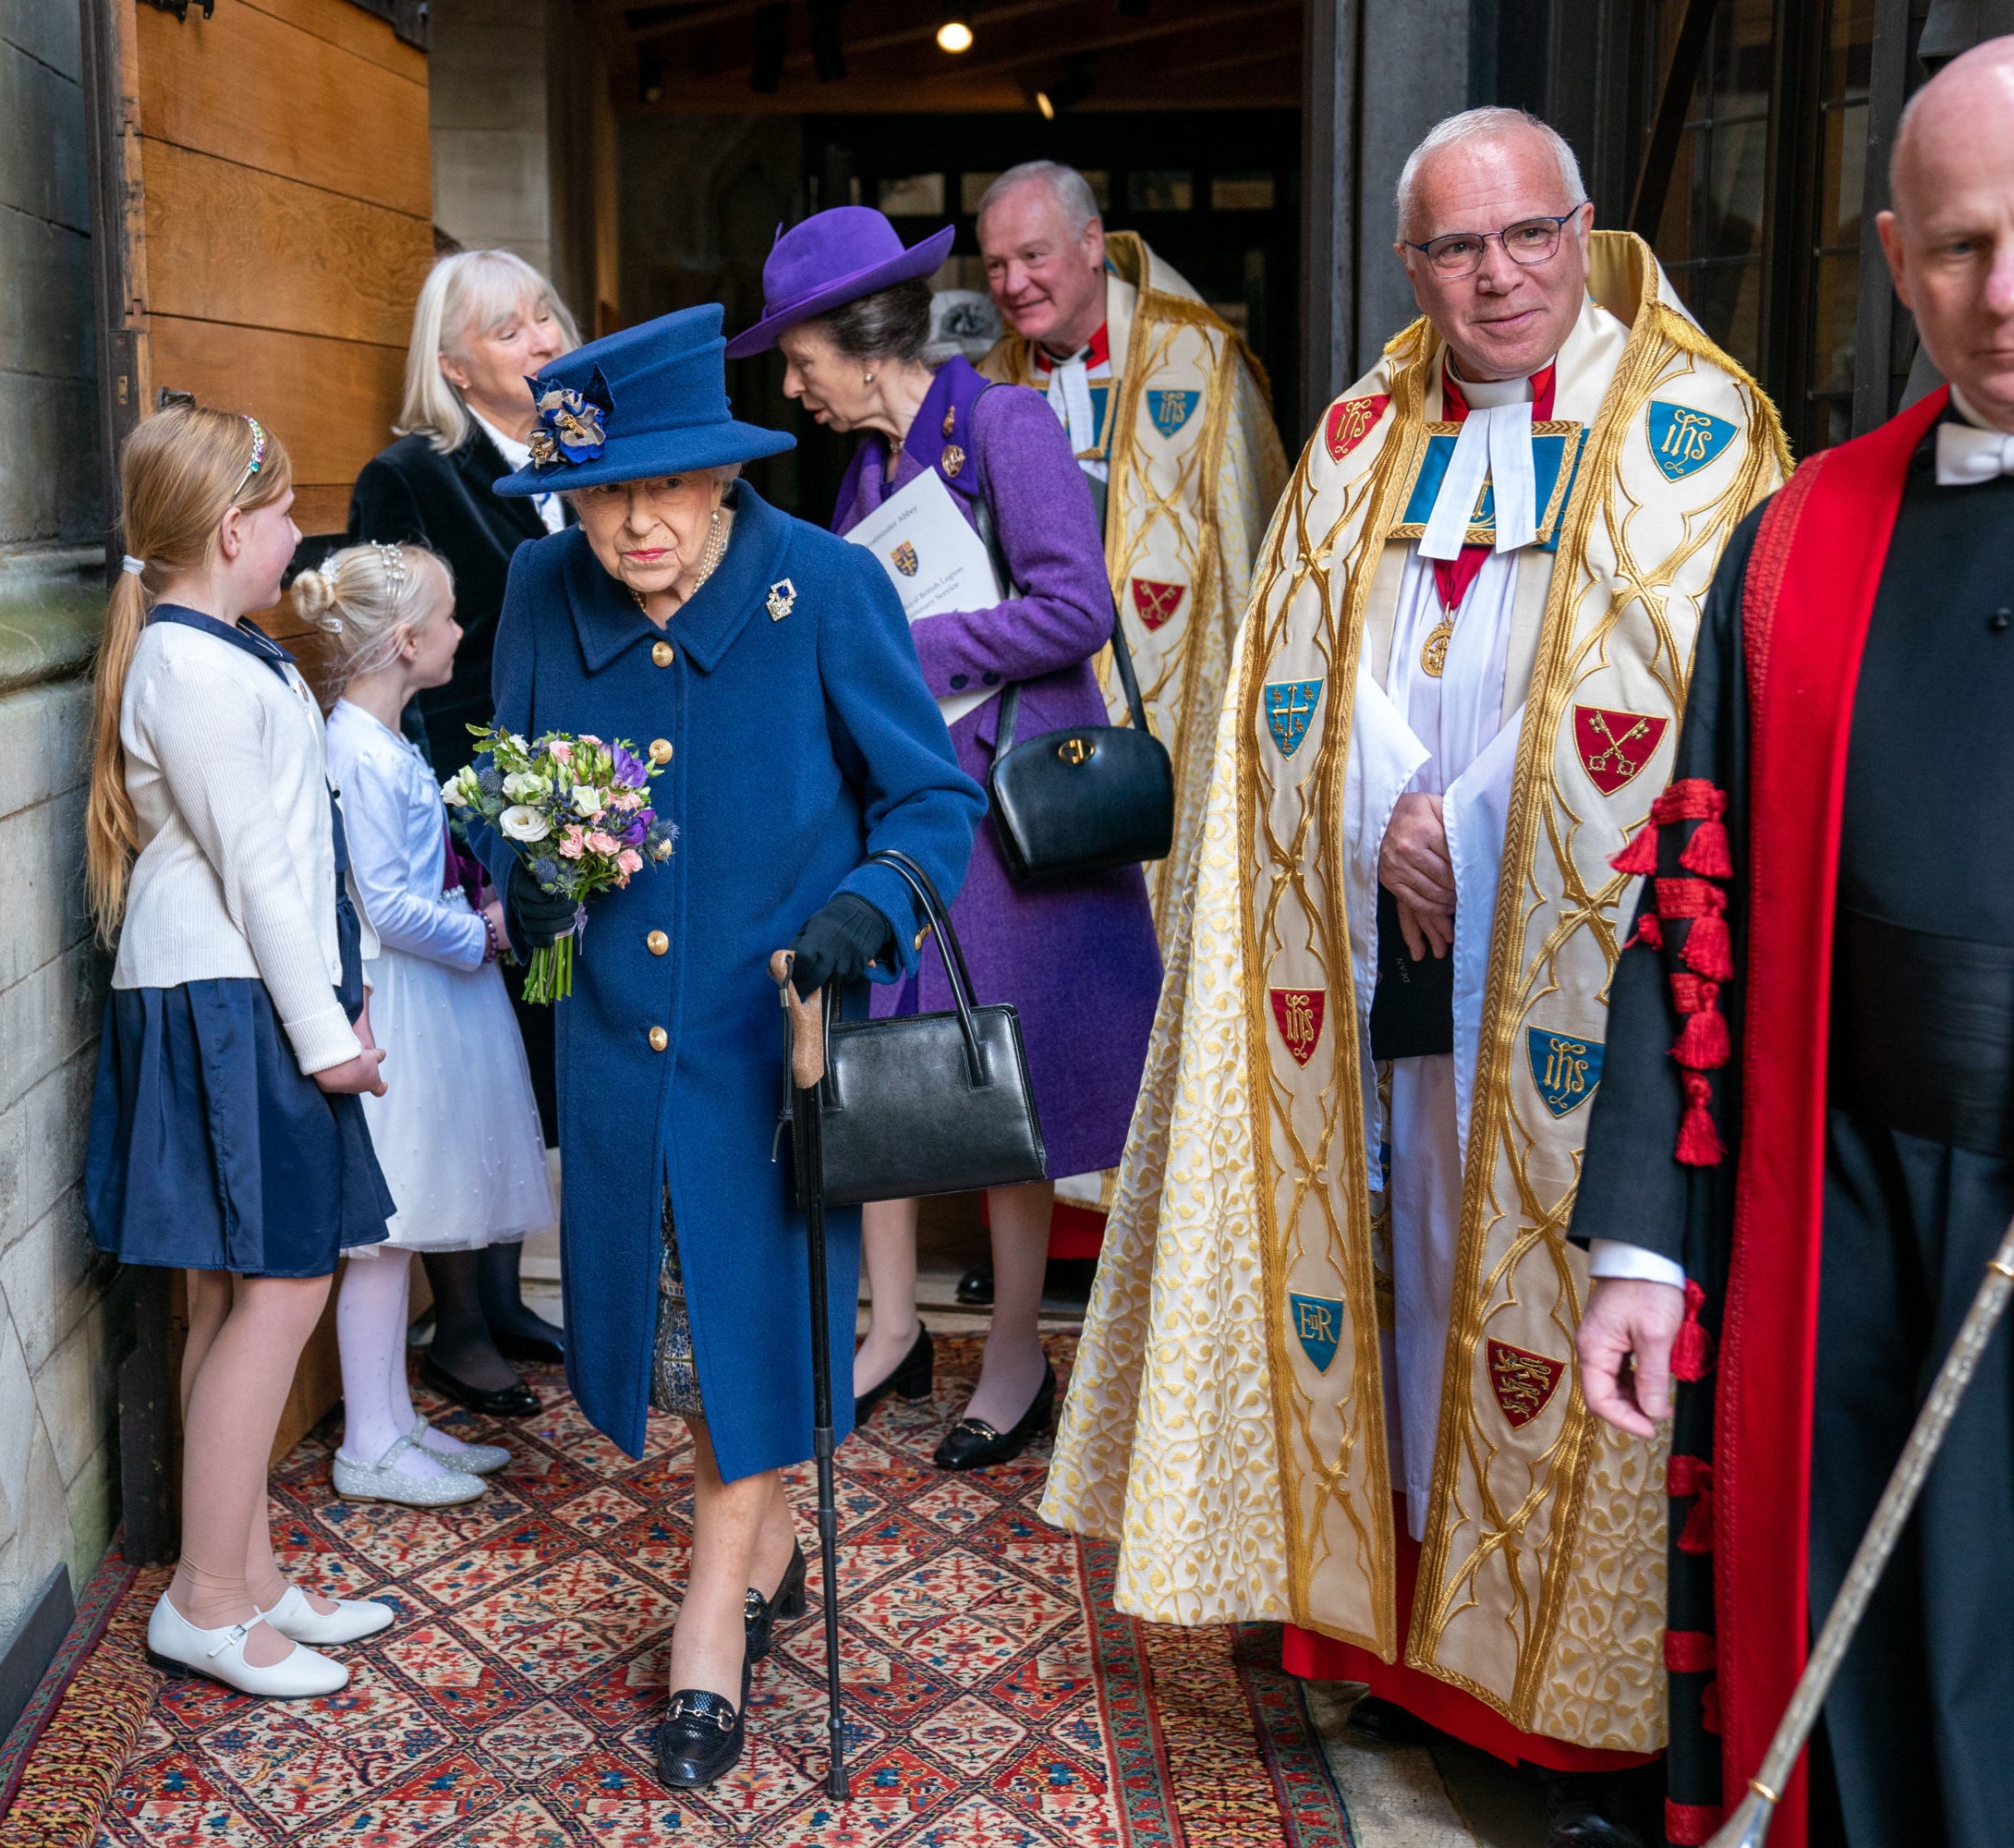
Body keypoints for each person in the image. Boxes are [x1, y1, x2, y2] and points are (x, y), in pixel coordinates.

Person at [1040, 107, 1789, 1843]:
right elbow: (1275, 675)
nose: (1495, 277)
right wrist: (1382, 817)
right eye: (1454, 249)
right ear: (1408, 263)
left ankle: (1558, 1706)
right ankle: (1374, 1624)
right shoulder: (1363, 428)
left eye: (1525, 236)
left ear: (1579, 227)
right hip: (1376, 951)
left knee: (1545, 1284)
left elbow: (1700, 703)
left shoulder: (1692, 429)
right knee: (1391, 1271)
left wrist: (1478, 820)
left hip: (1572, 971)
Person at [1569, 40, 2014, 1848]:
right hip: (1825, 1203)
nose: (2000, 295)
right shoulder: (1792, 543)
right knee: (1861, 1682)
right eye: (1959, 245)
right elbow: (1688, 910)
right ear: (1892, 256)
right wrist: (1639, 1248)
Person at [468, 305, 983, 1787]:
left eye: (663, 487)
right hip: (622, 1061)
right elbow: (507, 802)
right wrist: (539, 867)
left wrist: (863, 914)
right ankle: (765, 1539)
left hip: (781, 1047)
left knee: (747, 1327)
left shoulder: (822, 589)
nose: (632, 524)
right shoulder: (535, 591)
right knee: (681, 1343)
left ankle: (710, 1617)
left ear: (722, 479)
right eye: (600, 493)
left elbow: (929, 805)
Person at [726, 206, 1162, 1467]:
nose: (793, 389)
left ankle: (1017, 1348)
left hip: (1013, 820)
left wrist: (899, 654)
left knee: (1000, 1080)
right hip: (913, 812)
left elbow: (1074, 610)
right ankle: (891, 1329)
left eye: (798, 361)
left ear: (858, 342)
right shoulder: (868, 470)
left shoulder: (1008, 426)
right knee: (889, 1060)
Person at [81, 404, 402, 1696]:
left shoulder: (222, 650)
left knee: (239, 1291)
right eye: (281, 516)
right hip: (228, 999)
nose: (295, 535)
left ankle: (249, 1572)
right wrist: (328, 1037)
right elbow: (258, 872)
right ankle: (205, 1602)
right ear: (231, 529)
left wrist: (342, 995)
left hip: (250, 992)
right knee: (276, 1287)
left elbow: (293, 859)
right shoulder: (193, 670)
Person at [968, 160, 1288, 1299]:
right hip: (1028, 722)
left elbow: (1254, 552)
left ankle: (1146, 1240)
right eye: (995, 263)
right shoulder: (982, 384)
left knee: (1149, 961)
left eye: (1033, 256)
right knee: (1043, 961)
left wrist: (1265, 734)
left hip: (1175, 718)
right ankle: (1047, 1241)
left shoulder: (1198, 361)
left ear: (1093, 242)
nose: (1012, 283)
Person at [347, 247, 578, 1407]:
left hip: (576, 794)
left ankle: (501, 1295)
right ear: (451, 364)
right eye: (508, 329)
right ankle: (458, 1324)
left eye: (545, 318)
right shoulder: (411, 475)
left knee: (525, 1062)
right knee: (464, 1049)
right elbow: (399, 655)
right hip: (465, 801)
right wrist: (448, 837)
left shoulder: (584, 456)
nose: (540, 340)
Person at [300, 541, 552, 1508]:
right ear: (406, 641)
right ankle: (366, 1438)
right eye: (447, 618)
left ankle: (396, 1418)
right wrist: (483, 930)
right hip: (404, 1004)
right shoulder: (360, 753)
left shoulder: (385, 739)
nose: (459, 632)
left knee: (401, 1228)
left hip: (430, 995)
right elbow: (390, 905)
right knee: (386, 1228)